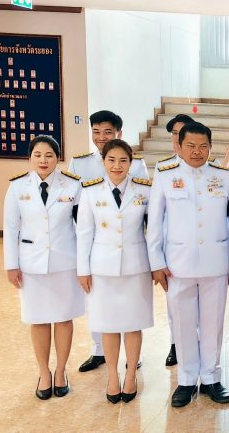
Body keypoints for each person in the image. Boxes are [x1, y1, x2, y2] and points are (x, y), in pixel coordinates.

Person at [147, 121, 229, 408]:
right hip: (178, 264)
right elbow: (155, 221)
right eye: (191, 146)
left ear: (210, 147)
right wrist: (156, 261)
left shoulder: (223, 176)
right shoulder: (165, 175)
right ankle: (186, 380)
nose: (197, 151)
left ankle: (210, 377)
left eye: (203, 146)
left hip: (215, 261)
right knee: (183, 323)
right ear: (179, 146)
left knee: (213, 322)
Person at [3, 135, 83, 400]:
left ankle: (60, 371)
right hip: (31, 264)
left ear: (58, 158)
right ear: (30, 157)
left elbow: (83, 227)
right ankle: (44, 372)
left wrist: (84, 264)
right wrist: (11, 265)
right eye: (37, 155)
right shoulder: (17, 186)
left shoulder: (73, 184)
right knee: (37, 319)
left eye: (49, 155)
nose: (43, 160)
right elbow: (10, 228)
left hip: (65, 262)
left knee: (63, 318)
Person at [75, 139, 153, 404]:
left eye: (123, 161)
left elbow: (154, 231)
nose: (117, 166)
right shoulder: (90, 191)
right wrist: (83, 270)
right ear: (103, 162)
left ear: (131, 163)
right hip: (102, 269)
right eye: (111, 160)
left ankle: (130, 375)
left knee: (133, 323)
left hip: (136, 267)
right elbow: (84, 233)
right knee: (107, 325)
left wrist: (156, 266)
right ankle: (112, 376)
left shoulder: (144, 190)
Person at [154, 113, 194, 367]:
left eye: (183, 133)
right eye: (175, 134)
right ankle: (175, 344)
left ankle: (195, 343)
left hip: (200, 249)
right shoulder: (163, 169)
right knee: (174, 303)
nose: (179, 139)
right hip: (174, 249)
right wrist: (157, 256)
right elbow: (156, 217)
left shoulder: (210, 168)